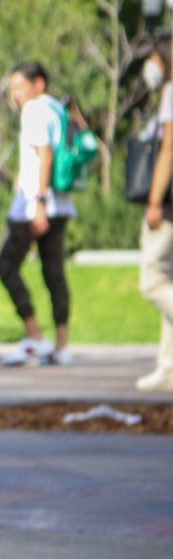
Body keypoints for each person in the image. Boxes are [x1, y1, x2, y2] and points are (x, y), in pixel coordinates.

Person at [0, 61, 76, 367]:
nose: (16, 94)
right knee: (53, 271)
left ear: (38, 84)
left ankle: (35, 337)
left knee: (6, 265)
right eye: (13, 88)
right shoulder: (57, 108)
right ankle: (62, 344)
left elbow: (45, 154)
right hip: (61, 203)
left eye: (20, 86)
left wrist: (39, 202)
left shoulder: (34, 110)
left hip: (36, 205)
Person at [136, 35, 173, 393]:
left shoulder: (171, 92)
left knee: (152, 281)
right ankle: (168, 366)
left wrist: (155, 201)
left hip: (169, 206)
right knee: (168, 277)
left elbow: (168, 150)